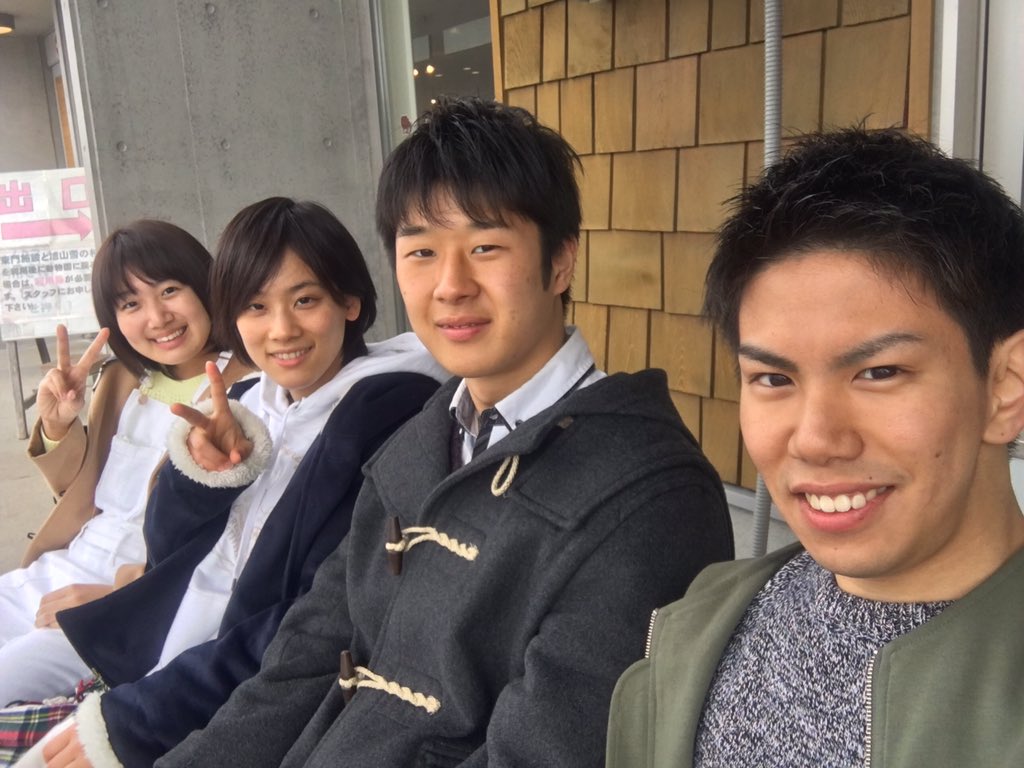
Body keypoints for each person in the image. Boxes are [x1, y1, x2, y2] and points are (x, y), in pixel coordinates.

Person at [153, 97, 734, 768]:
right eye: (422, 252)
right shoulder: (417, 442)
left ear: (560, 261)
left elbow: (546, 750)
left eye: (485, 247)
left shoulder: (647, 498)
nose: (450, 286)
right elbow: (303, 659)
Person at [605, 129, 1024, 767]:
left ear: (1005, 386)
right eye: (773, 379)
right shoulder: (697, 626)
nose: (816, 440)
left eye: (879, 372)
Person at [23, 198, 445, 768]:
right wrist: (200, 478)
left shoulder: (382, 415)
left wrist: (142, 715)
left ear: (350, 302)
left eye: (305, 300)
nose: (281, 329)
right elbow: (167, 551)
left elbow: (316, 616)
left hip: (226, 691)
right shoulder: (246, 399)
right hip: (149, 642)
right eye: (255, 306)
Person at [0, 220, 249, 707]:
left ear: (205, 285)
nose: (157, 317)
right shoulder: (122, 380)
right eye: (131, 304)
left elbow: (238, 537)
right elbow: (80, 495)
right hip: (62, 568)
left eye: (170, 290)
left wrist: (124, 594)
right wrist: (57, 426)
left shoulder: (247, 385)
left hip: (134, 601)